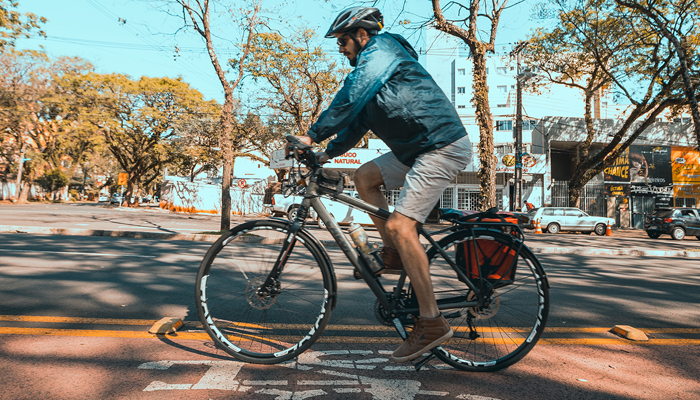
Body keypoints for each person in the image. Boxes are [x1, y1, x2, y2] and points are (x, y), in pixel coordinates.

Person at [294, 7, 472, 363]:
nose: (340, 48)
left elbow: (351, 93)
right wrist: (325, 152)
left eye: (342, 40)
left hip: (441, 146)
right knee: (363, 177)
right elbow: (355, 123)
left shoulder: (381, 51)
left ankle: (432, 322)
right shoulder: (373, 74)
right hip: (417, 151)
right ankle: (393, 254)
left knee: (401, 226)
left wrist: (311, 134)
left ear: (361, 35)